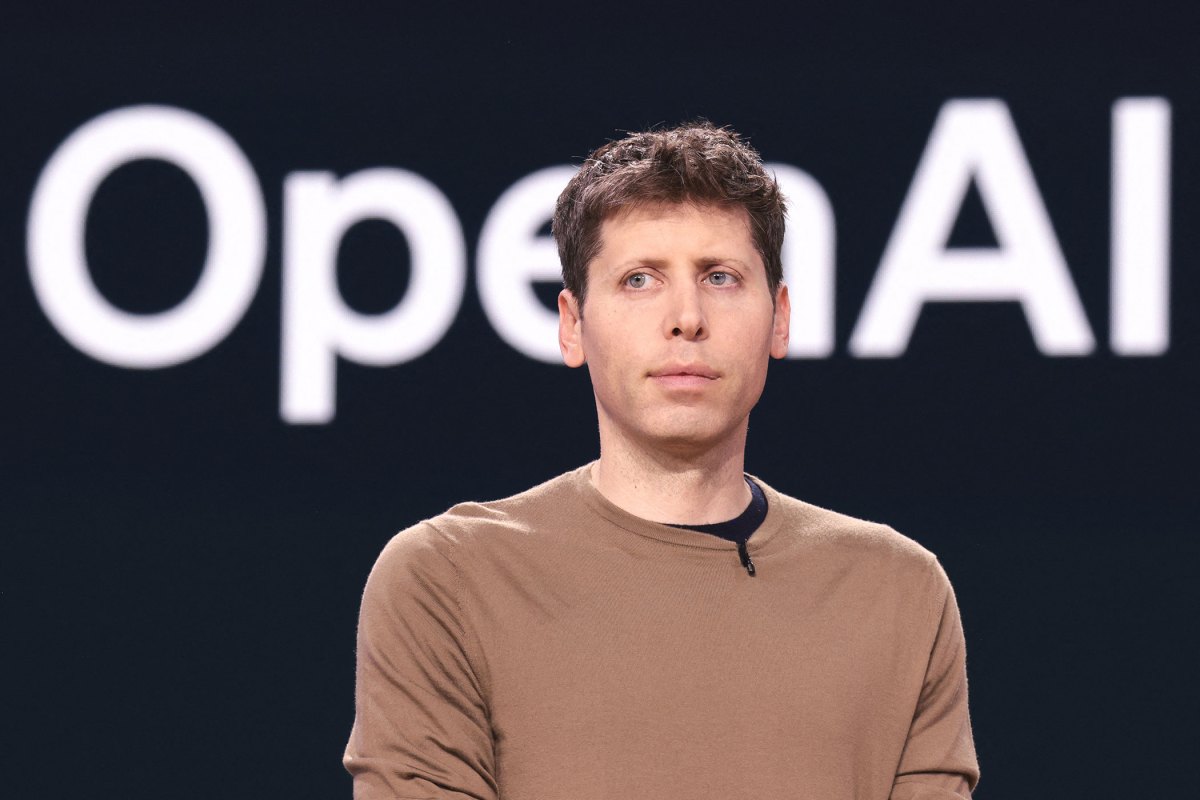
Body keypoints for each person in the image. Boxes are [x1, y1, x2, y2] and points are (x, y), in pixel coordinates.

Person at [343, 122, 980, 798]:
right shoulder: (448, 580)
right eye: (639, 279)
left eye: (721, 277)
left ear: (780, 318)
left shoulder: (897, 592)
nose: (686, 317)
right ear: (572, 324)